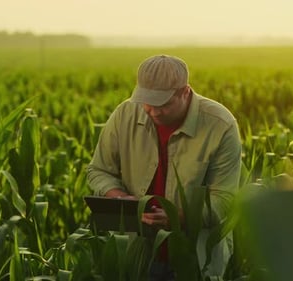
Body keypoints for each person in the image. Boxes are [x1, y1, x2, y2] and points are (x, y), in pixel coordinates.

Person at [87, 54, 242, 280]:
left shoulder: (221, 125)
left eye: (164, 103)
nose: (153, 110)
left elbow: (225, 201)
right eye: (146, 102)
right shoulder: (125, 114)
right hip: (135, 255)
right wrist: (120, 197)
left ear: (185, 92)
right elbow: (99, 170)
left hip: (195, 262)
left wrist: (177, 217)